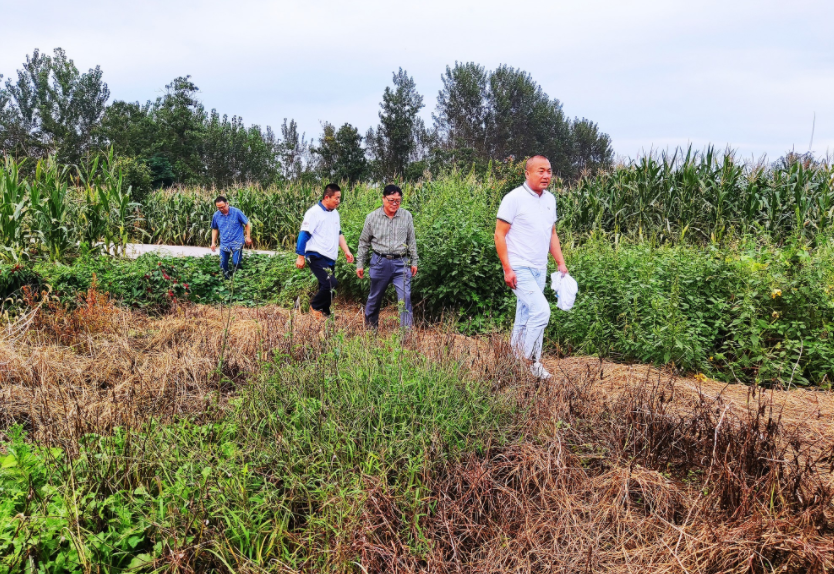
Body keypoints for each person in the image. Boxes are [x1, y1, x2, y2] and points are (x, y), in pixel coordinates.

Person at [494, 155, 568, 379]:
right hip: (519, 266)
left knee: (525, 315)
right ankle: (530, 361)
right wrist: (507, 268)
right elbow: (499, 234)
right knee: (541, 311)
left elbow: (551, 233)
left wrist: (560, 262)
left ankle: (512, 362)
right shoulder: (514, 198)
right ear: (527, 173)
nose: (546, 175)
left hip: (539, 267)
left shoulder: (550, 200)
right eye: (540, 171)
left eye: (549, 171)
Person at [355, 184, 419, 328]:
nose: (394, 204)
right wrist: (360, 264)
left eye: (398, 200)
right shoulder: (372, 218)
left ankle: (405, 336)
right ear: (383, 198)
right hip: (379, 262)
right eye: (391, 200)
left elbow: (411, 240)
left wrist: (414, 261)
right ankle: (371, 330)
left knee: (405, 297)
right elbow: (364, 242)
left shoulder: (406, 216)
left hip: (401, 263)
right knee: (375, 297)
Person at [295, 183, 355, 317]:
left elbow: (338, 234)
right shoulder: (313, 213)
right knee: (330, 283)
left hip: (330, 257)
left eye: (340, 198)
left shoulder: (335, 214)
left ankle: (325, 313)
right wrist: (300, 255)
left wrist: (346, 251)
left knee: (328, 287)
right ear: (327, 197)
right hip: (316, 255)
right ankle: (315, 306)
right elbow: (304, 234)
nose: (338, 201)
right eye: (336, 198)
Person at [210, 196, 252, 278]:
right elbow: (214, 229)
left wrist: (248, 237)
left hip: (237, 242)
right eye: (218, 208)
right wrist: (213, 242)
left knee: (236, 262)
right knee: (222, 264)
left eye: (222, 207)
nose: (221, 209)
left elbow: (247, 224)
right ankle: (226, 281)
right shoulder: (216, 215)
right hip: (224, 243)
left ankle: (238, 279)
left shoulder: (236, 212)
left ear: (227, 204)